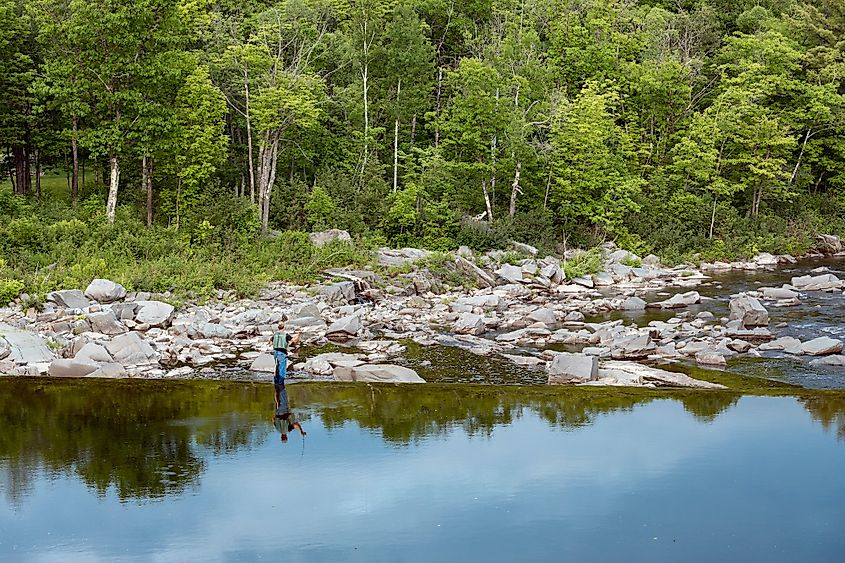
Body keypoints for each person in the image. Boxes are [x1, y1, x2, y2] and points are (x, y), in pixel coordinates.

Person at [271, 325, 301, 407]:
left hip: (275, 352)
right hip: (282, 353)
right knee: (282, 369)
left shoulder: (275, 334)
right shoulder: (285, 334)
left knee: (276, 368)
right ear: (284, 327)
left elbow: (270, 341)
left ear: (278, 327)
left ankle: (276, 383)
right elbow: (293, 341)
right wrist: (298, 334)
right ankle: (281, 384)